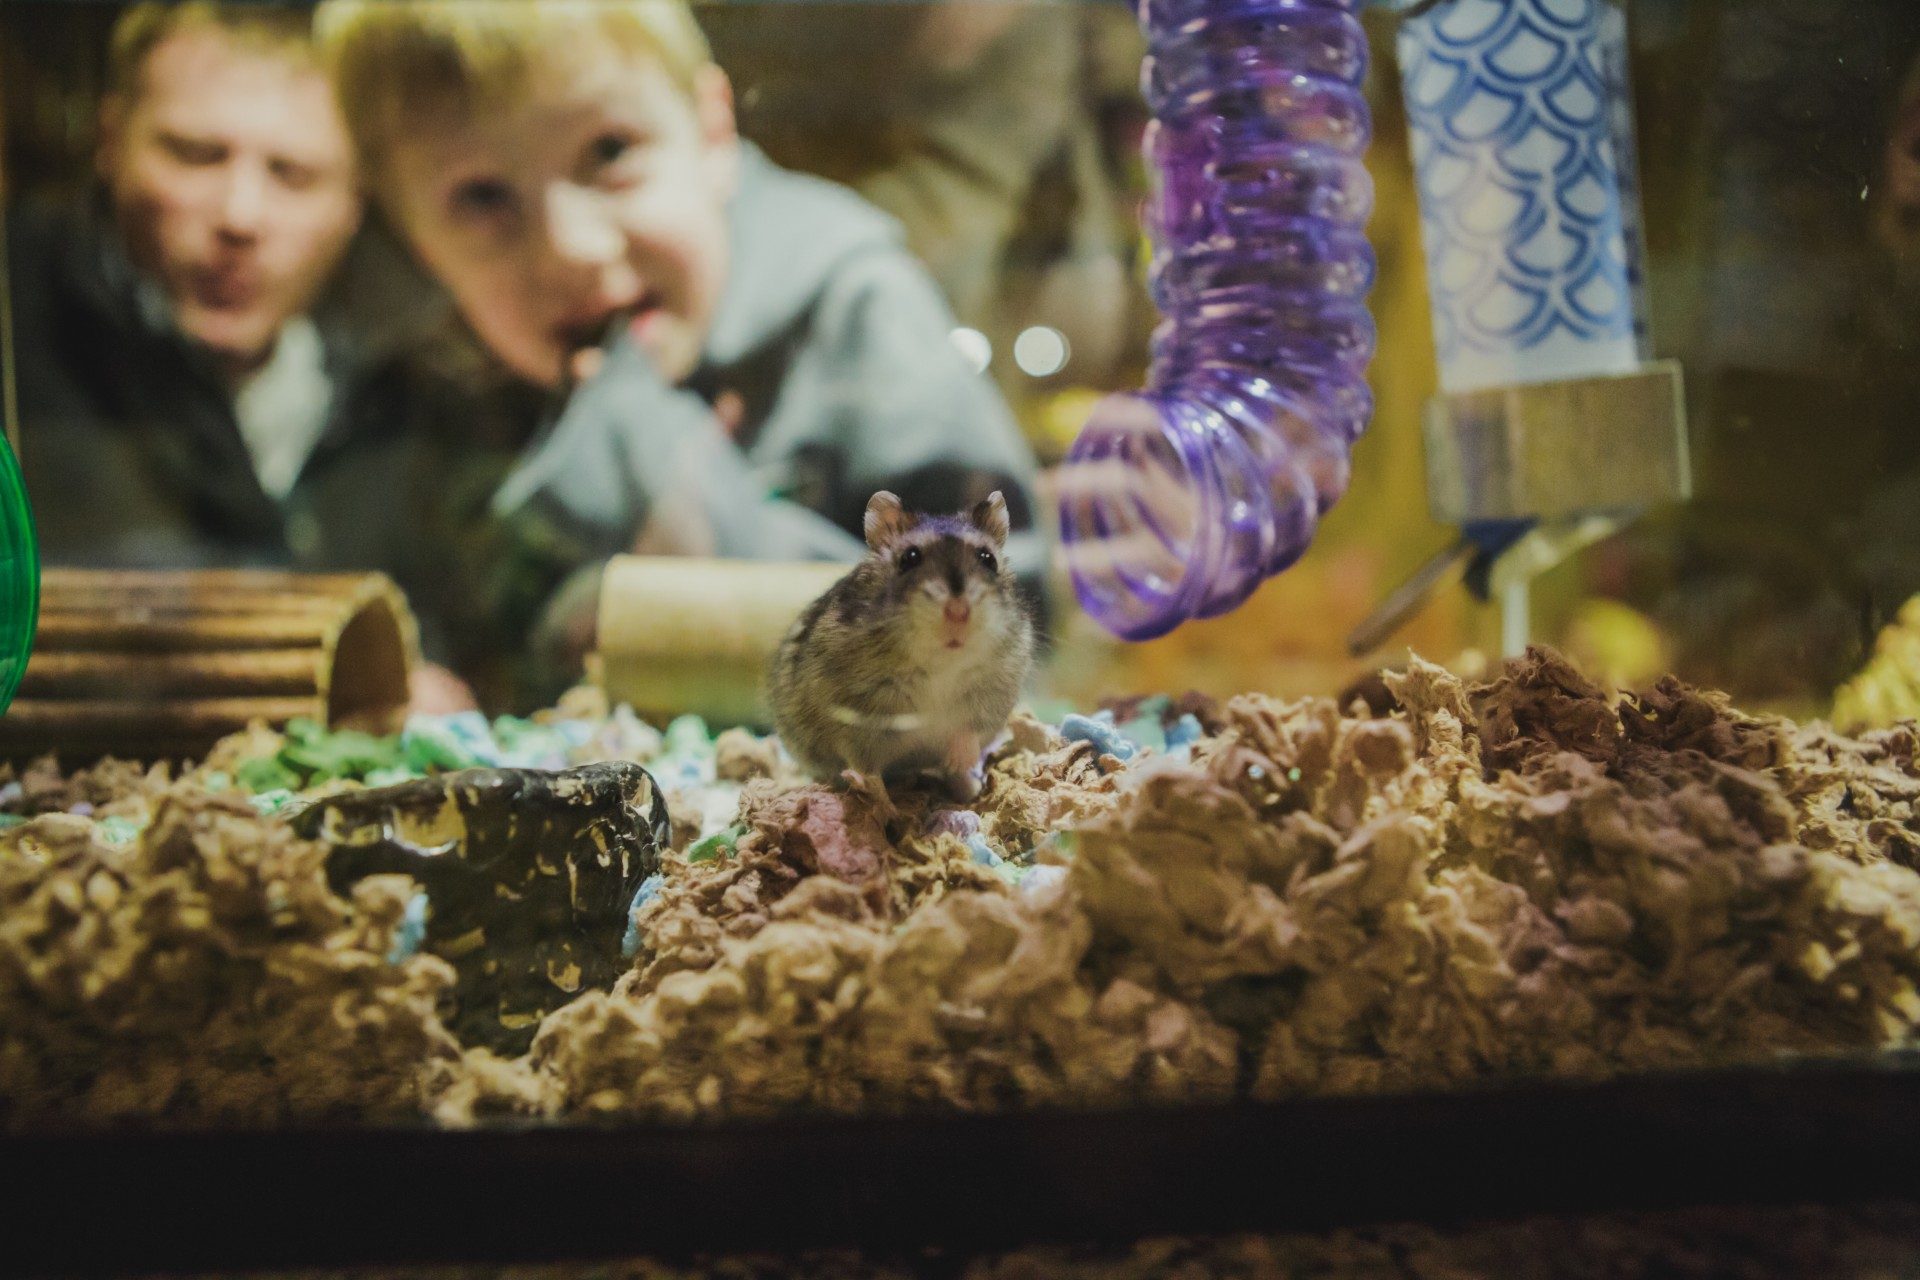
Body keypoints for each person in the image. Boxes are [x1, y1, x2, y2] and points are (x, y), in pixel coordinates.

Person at [315, 0, 1046, 711]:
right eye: (480, 197)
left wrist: (643, 438)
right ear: (412, 238)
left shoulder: (859, 314)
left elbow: (1017, 632)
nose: (572, 248)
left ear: (712, 129)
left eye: (609, 151)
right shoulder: (420, 407)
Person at [9, 2, 364, 572]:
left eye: (292, 174)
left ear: (356, 198)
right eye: (195, 155)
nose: (240, 216)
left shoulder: (399, 400)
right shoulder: (20, 325)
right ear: (111, 142)